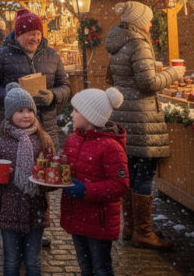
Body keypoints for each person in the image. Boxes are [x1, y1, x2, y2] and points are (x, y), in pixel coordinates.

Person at [104, 1, 184, 249]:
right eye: (148, 20)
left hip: (124, 114)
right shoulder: (139, 43)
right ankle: (143, 231)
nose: (150, 24)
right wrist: (174, 73)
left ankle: (131, 227)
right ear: (139, 22)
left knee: (131, 171)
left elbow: (116, 76)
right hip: (141, 116)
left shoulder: (119, 41)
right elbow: (148, 83)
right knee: (144, 174)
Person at [0, 83, 55, 276]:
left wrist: (51, 179)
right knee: (11, 262)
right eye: (20, 111)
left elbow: (53, 169)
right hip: (8, 210)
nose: (26, 115)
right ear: (10, 113)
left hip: (36, 209)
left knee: (33, 262)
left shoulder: (44, 139)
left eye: (30, 110)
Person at [61, 87, 129, 276]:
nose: (72, 114)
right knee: (85, 268)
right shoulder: (72, 140)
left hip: (99, 221)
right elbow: (65, 167)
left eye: (76, 110)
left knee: (101, 268)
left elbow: (120, 185)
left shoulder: (110, 147)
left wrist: (86, 190)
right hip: (77, 216)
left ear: (91, 116)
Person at [0, 9, 71, 149]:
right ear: (19, 34)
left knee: (45, 169)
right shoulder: (1, 55)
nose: (36, 38)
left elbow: (65, 87)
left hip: (46, 130)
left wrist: (53, 96)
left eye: (38, 34)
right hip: (12, 132)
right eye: (31, 34)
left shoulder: (52, 55)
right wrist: (11, 96)